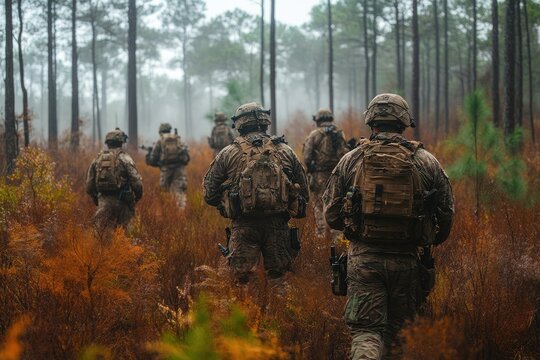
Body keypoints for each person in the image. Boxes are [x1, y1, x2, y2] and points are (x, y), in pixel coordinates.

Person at [323, 94, 454, 359]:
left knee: (366, 332)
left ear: (371, 121)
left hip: (364, 260)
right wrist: (429, 238)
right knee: (398, 335)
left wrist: (355, 226)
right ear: (404, 122)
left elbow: (331, 214)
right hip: (407, 261)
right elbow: (447, 213)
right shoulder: (427, 161)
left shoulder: (351, 159)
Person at [203, 102, 309, 289]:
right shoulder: (284, 150)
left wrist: (228, 199)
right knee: (279, 279)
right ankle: (282, 316)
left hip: (244, 226)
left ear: (240, 124)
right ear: (265, 122)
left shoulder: (229, 153)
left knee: (243, 282)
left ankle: (249, 316)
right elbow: (305, 192)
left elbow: (209, 194)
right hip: (278, 225)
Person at [302, 108, 349, 238]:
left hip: (319, 177)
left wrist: (311, 167)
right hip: (337, 176)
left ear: (318, 120)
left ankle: (320, 242)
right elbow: (346, 155)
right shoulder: (339, 133)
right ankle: (338, 241)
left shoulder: (314, 134)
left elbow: (306, 157)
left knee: (319, 207)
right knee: (336, 206)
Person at [86, 128, 143, 232]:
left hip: (103, 201)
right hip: (123, 202)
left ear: (107, 142)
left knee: (102, 235)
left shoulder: (97, 159)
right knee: (126, 235)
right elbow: (136, 181)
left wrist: (95, 198)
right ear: (121, 142)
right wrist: (137, 196)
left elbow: (89, 185)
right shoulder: (125, 158)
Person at [148, 123, 190, 209]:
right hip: (179, 169)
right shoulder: (177, 139)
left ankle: (168, 211)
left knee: (164, 191)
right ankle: (181, 211)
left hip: (165, 170)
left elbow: (153, 159)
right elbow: (186, 156)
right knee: (180, 190)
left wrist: (156, 161)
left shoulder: (160, 140)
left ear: (160, 131)